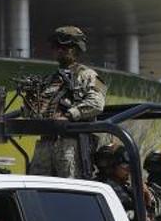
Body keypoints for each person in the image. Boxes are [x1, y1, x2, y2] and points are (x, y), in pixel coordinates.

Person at [27, 26, 106, 179]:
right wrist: (30, 101)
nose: (59, 50)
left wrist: (70, 115)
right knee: (36, 187)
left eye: (64, 46)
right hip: (46, 143)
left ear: (76, 48)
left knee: (70, 189)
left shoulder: (87, 75)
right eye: (56, 46)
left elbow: (96, 103)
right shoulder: (50, 80)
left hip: (71, 144)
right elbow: (36, 111)